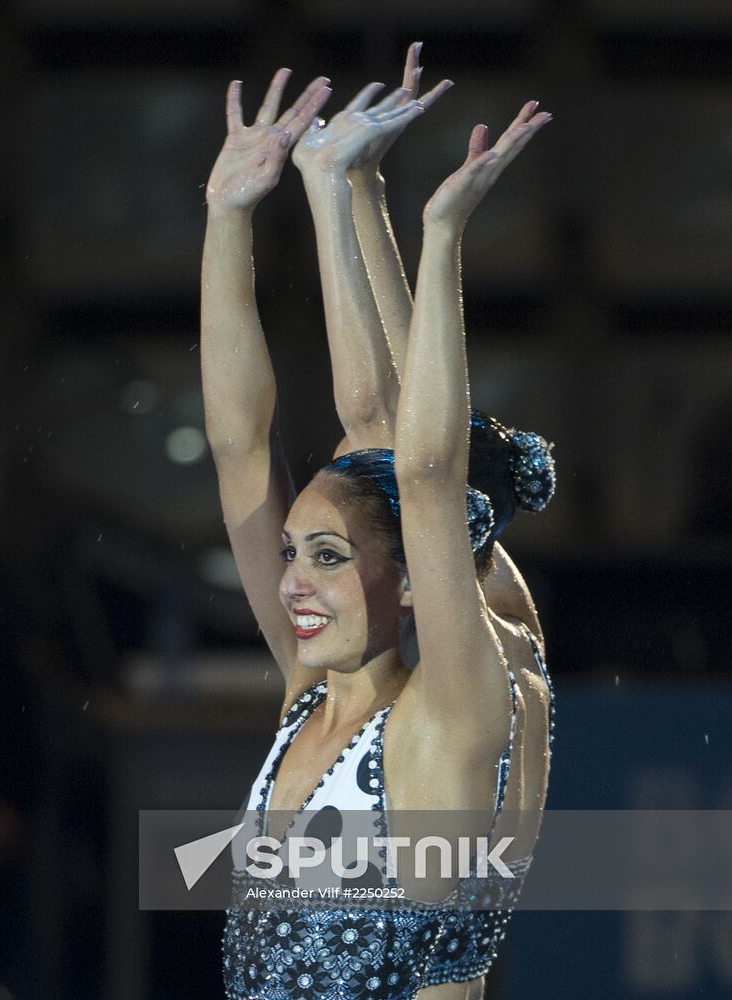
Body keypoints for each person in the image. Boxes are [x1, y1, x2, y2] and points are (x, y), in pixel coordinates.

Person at [201, 44, 555, 1000]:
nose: (291, 584)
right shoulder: (313, 690)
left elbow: (416, 459)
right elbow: (244, 448)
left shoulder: (461, 702)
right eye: (296, 556)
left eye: (325, 556)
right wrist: (240, 211)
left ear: (422, 561)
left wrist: (436, 238)